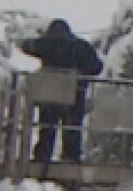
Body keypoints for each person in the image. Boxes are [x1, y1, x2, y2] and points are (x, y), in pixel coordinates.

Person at [17, 19, 103, 164]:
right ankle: (71, 157)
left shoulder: (46, 44)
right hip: (75, 94)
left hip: (49, 95)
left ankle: (42, 156)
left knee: (46, 128)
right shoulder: (80, 46)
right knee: (72, 128)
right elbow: (97, 67)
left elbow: (26, 45)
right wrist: (81, 74)